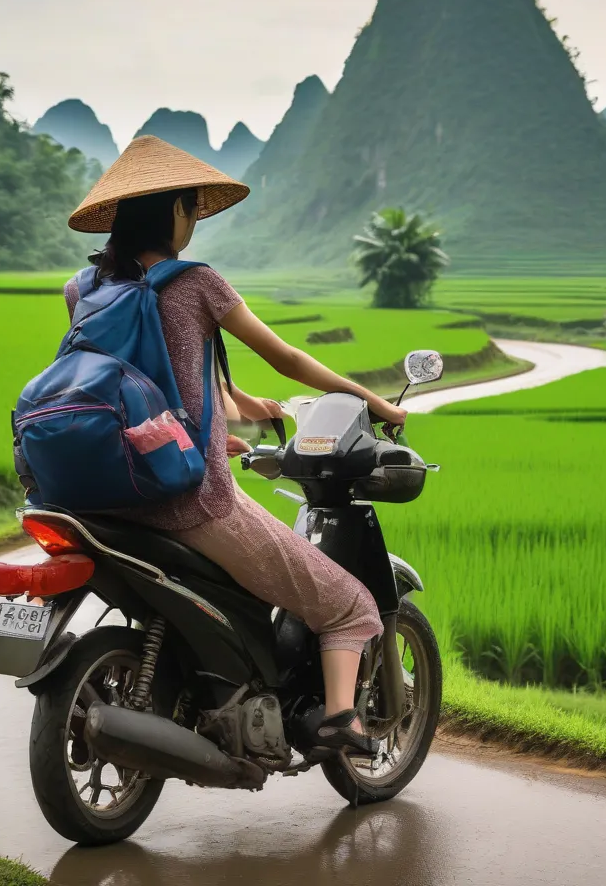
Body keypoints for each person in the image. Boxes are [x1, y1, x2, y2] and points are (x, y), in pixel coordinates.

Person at [64, 136, 408, 753]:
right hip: (188, 499)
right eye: (191, 208)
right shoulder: (198, 283)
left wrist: (236, 405)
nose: (193, 220)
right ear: (174, 212)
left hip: (103, 492)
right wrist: (376, 402)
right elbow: (289, 359)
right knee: (348, 603)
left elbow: (137, 376)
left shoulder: (83, 287)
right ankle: (339, 722)